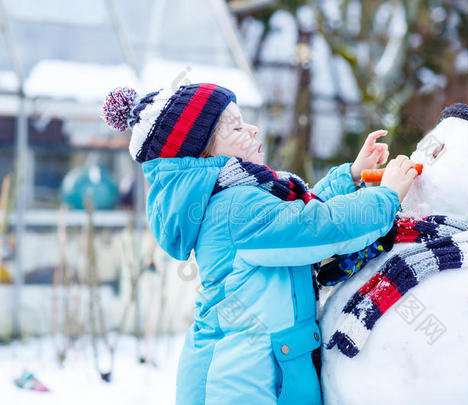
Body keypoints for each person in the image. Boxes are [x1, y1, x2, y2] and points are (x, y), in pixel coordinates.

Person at [101, 83, 419, 405]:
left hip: (266, 374)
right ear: (205, 154)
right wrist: (385, 197)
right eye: (237, 127)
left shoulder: (240, 197)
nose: (253, 130)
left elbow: (295, 222)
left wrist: (349, 177)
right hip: (237, 383)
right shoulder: (234, 208)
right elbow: (313, 229)